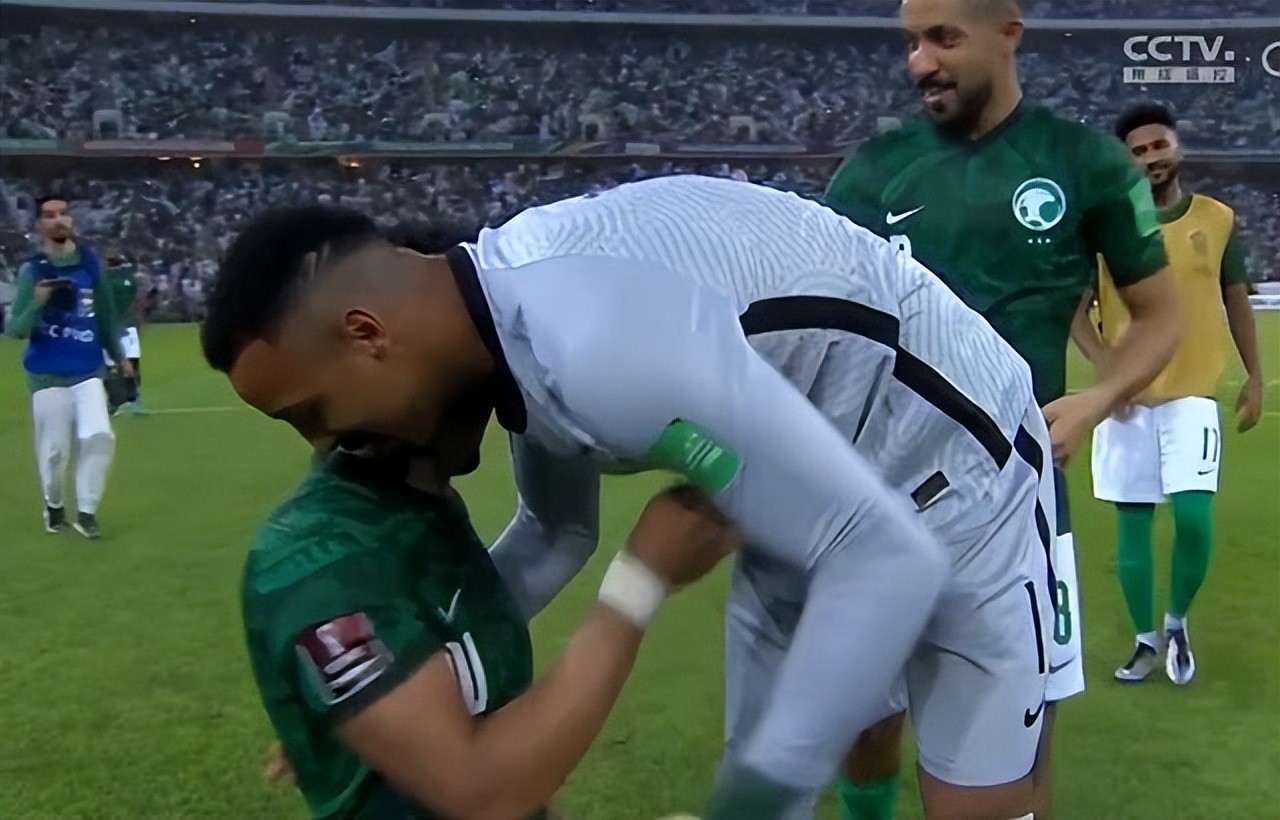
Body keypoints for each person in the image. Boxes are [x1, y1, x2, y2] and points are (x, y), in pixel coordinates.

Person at [204, 176, 1058, 820]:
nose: (324, 445)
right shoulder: (503, 319)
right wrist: (397, 688)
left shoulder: (592, 348)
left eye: (311, 413)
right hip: (813, 469)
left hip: (948, 453)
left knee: (969, 804)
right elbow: (554, 534)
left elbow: (887, 556)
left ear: (366, 335)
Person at [822, 1, 1181, 816]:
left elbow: (1160, 314)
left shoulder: (1085, 163)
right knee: (866, 721)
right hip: (878, 499)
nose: (920, 62)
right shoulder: (870, 175)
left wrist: (1096, 398)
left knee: (1021, 733)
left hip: (1021, 505)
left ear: (1008, 34)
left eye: (943, 38)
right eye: (912, 42)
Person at [243, 443, 737, 819]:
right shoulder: (320, 556)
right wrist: (640, 581)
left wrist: (359, 699)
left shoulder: (423, 509)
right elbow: (479, 792)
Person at [1075, 102, 1264, 687]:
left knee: (1193, 519)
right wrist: (1108, 371)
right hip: (1126, 400)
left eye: (1159, 145)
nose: (1151, 157)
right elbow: (1076, 311)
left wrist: (1255, 377)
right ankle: (1143, 642)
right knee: (1132, 529)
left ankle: (1176, 621)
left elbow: (1236, 299)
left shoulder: (1218, 219)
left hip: (1192, 396)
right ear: (1125, 161)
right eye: (1138, 151)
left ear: (1177, 147)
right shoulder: (1104, 227)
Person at [5, 196, 132, 540]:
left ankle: (87, 512)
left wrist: (119, 357)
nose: (59, 220)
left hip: (87, 370)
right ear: (39, 226)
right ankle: (54, 505)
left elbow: (105, 316)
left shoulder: (90, 265)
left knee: (99, 436)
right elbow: (16, 329)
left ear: (72, 221)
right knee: (54, 452)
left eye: (63, 214)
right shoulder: (33, 271)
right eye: (50, 216)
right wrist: (37, 303)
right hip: (46, 374)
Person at [103, 245, 147, 415]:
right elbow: (137, 300)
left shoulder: (104, 280)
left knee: (112, 365)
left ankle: (115, 402)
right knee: (131, 362)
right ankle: (133, 400)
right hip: (128, 326)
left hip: (112, 327)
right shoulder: (130, 278)